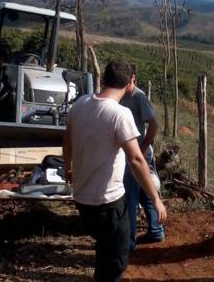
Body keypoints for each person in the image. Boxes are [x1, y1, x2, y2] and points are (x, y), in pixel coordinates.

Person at [63, 60, 166, 282]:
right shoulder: (120, 114)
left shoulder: (80, 104)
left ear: (103, 79)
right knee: (115, 261)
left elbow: (67, 140)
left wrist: (67, 167)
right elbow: (136, 160)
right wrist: (155, 198)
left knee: (104, 248)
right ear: (130, 83)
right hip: (108, 203)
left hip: (82, 199)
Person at [121, 72, 165, 251]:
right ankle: (156, 230)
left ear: (133, 77)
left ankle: (129, 242)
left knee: (130, 197)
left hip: (136, 154)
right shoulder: (123, 95)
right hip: (133, 153)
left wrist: (142, 148)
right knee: (145, 194)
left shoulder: (138, 97)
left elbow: (153, 126)